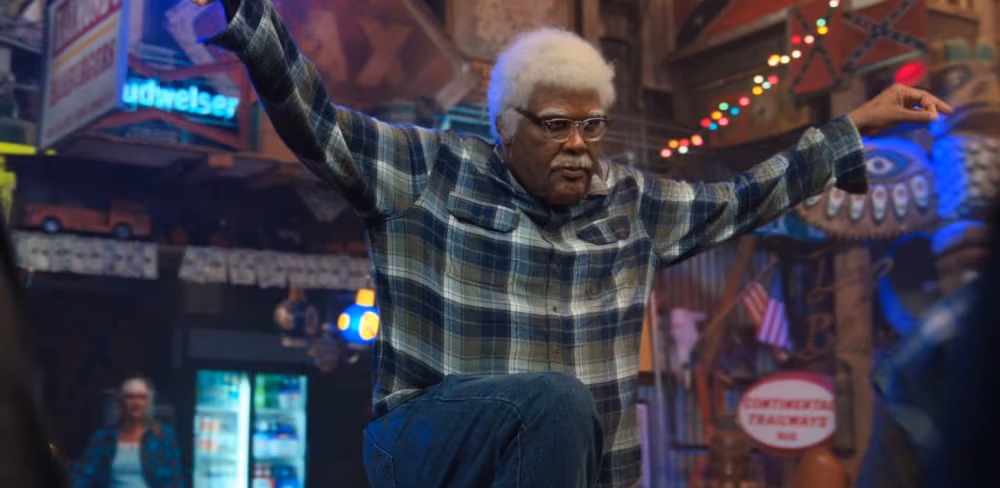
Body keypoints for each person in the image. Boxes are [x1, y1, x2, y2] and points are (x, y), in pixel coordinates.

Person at [192, 1, 950, 486]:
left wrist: (853, 128)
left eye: (593, 126)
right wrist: (247, 14)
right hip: (429, 450)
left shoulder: (630, 204)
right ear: (506, 127)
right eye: (557, 126)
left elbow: (744, 197)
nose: (579, 145)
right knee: (555, 398)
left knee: (565, 411)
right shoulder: (431, 172)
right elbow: (316, 121)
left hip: (572, 471)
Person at [69, 374, 184, 488]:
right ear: (120, 401)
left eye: (142, 397)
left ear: (149, 402)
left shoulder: (163, 436)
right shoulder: (103, 438)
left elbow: (175, 480)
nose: (136, 403)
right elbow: (82, 475)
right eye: (130, 397)